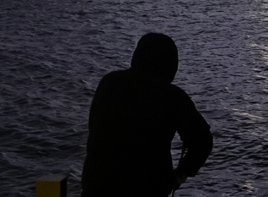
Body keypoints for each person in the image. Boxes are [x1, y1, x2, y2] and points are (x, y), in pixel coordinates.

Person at [81, 33, 213, 197]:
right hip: (147, 189)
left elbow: (93, 126)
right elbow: (203, 141)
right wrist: (182, 173)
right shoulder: (173, 96)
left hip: (96, 186)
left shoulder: (109, 83)